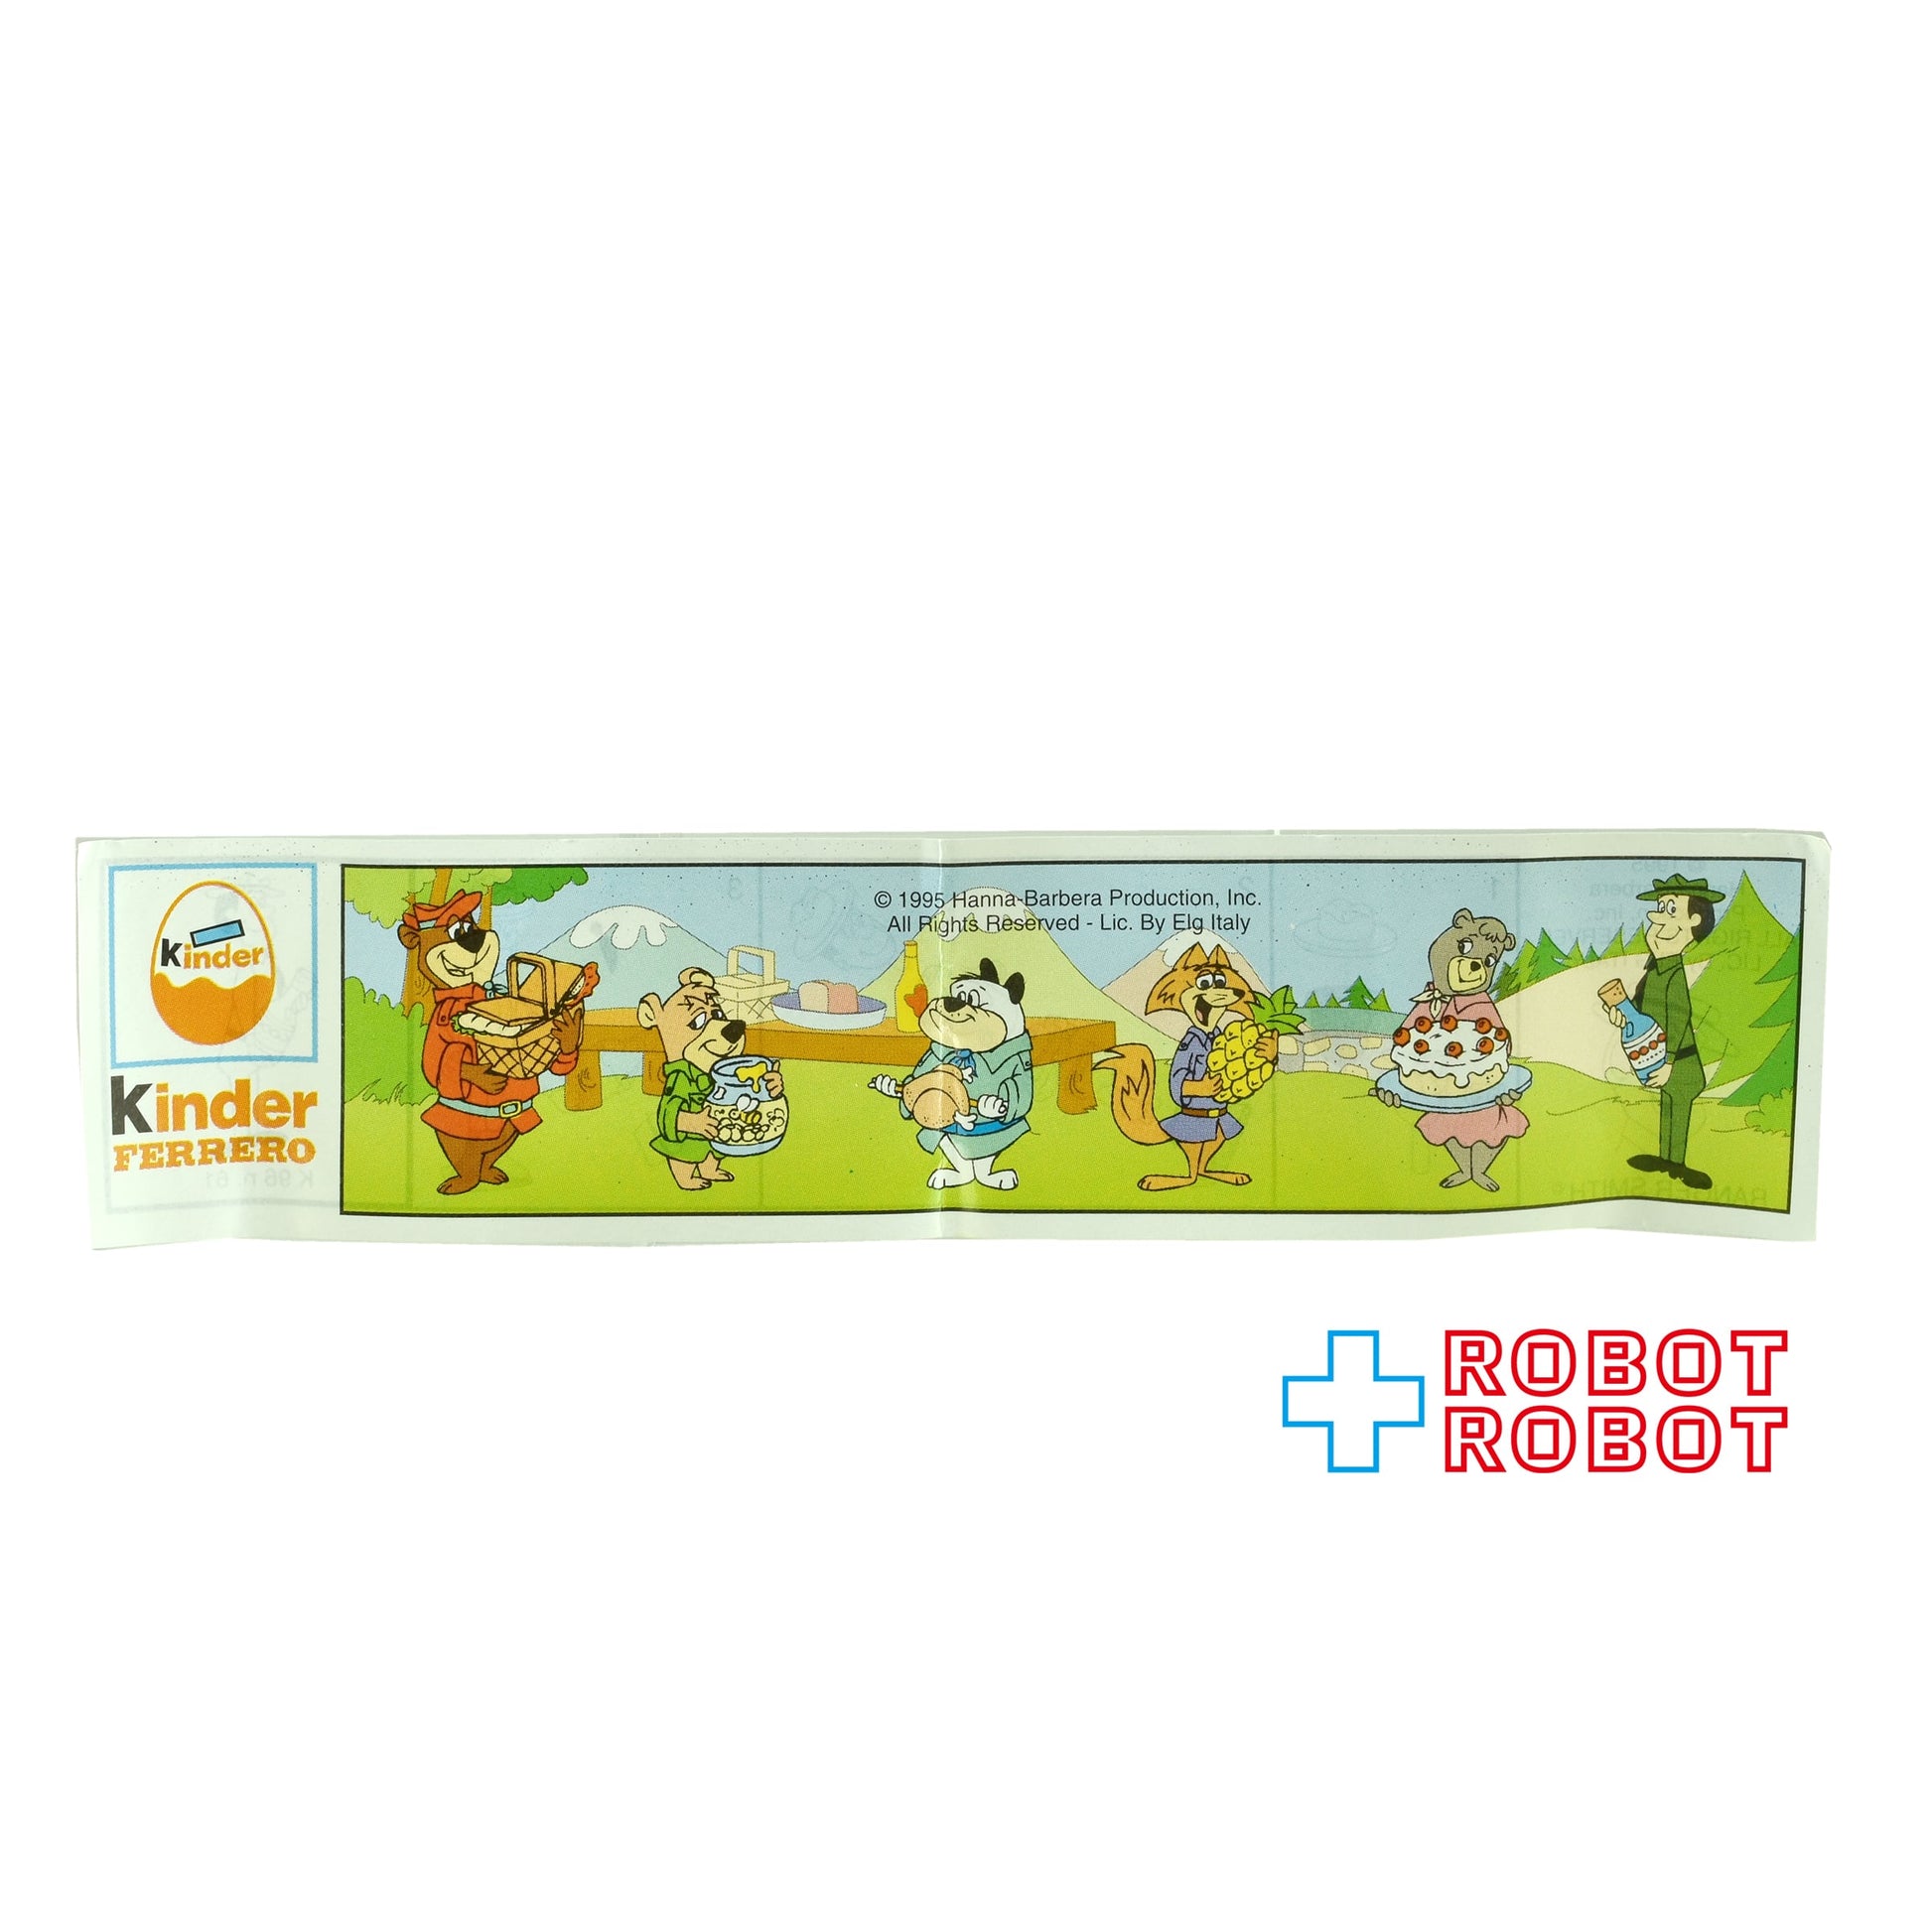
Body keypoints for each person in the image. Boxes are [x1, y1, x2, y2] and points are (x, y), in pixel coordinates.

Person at [1605, 873, 1724, 1189]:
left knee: (1677, 1111)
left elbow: (1679, 1018)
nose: (1657, 918)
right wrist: (1622, 1015)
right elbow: (1642, 1010)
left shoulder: (1673, 974)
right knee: (1668, 1111)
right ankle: (1667, 1159)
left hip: (1682, 1063)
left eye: (1671, 909)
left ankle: (1677, 1164)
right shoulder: (1656, 970)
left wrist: (1669, 1063)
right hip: (1664, 1060)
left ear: (1693, 921)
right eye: (1661, 907)